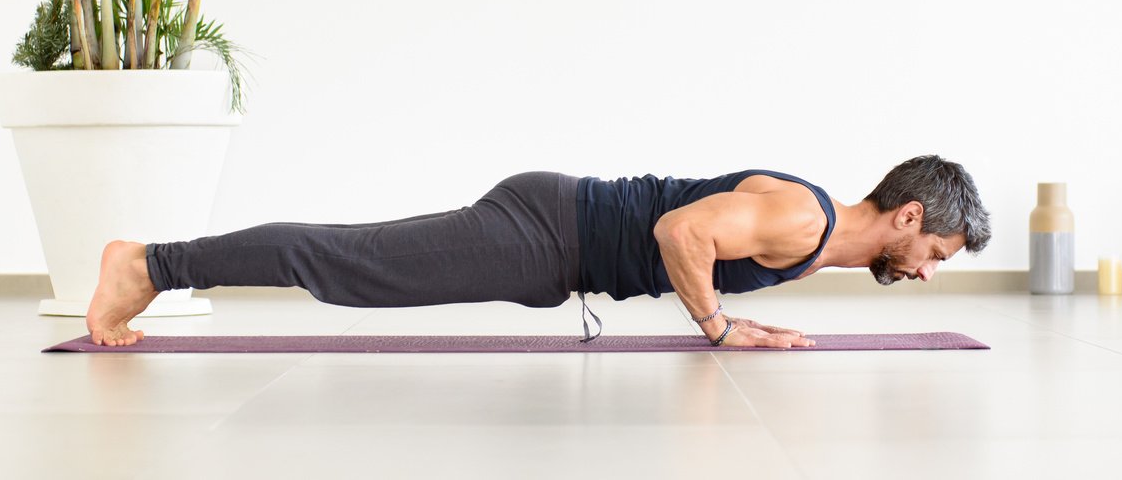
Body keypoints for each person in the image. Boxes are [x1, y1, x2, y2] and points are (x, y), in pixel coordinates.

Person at [86, 154, 991, 348]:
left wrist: (727, 312)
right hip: (547, 232)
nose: (927, 273)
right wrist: (715, 325)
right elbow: (681, 233)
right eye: (939, 253)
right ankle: (150, 265)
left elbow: (696, 235)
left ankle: (155, 265)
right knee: (351, 265)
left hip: (557, 241)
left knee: (357, 267)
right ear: (909, 218)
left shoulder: (811, 228)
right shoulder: (807, 221)